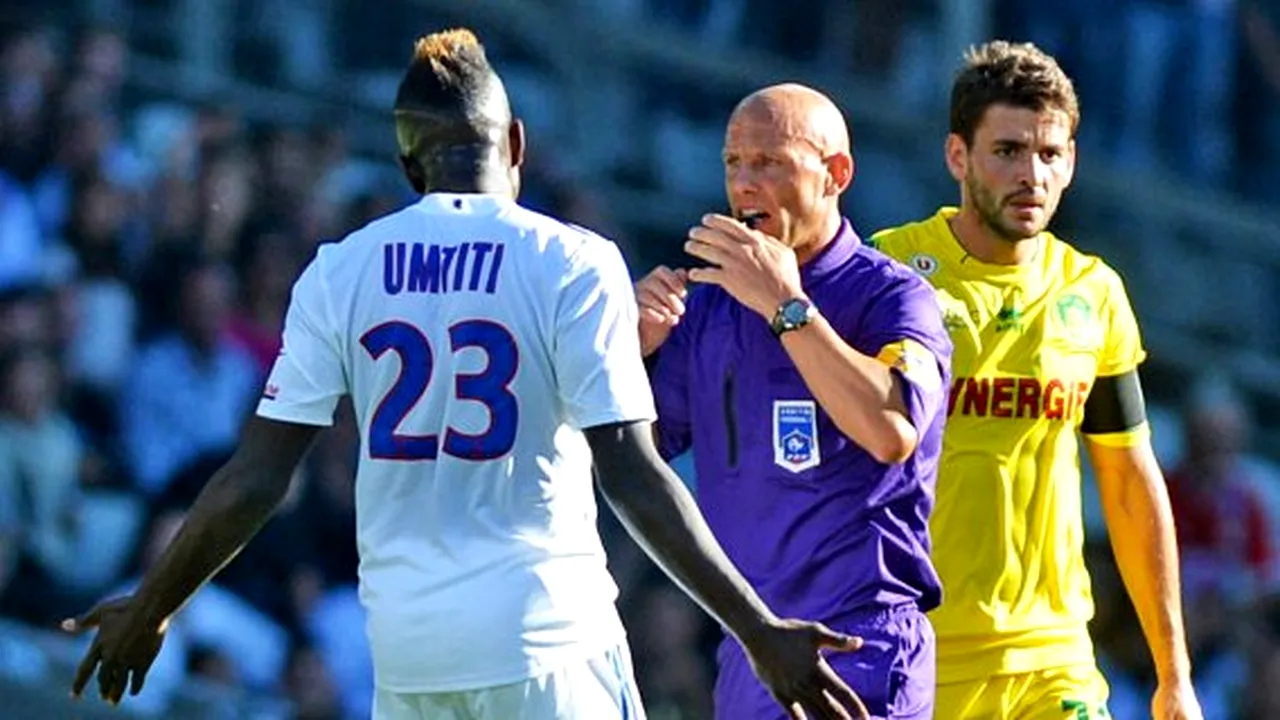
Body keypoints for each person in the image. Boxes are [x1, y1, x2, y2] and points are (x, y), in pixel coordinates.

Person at [60, 29, 868, 720]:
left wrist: (155, 602)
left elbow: (257, 477)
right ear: (515, 143)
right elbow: (632, 473)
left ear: (408, 166)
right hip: (550, 648)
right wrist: (757, 629)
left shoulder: (339, 271)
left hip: (414, 662)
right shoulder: (572, 261)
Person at [868, 40, 1204, 720]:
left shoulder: (1094, 292)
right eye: (1008, 151)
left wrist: (1175, 674)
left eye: (1050, 154)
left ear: (1072, 162)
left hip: (1054, 658)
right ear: (957, 156)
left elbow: (1130, 484)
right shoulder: (886, 271)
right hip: (916, 650)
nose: (1032, 174)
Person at [635, 83, 953, 719]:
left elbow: (891, 429)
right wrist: (631, 351)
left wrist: (786, 308)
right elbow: (635, 452)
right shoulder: (708, 308)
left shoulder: (891, 297)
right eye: (733, 164)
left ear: (837, 174)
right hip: (752, 649)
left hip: (859, 647)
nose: (745, 184)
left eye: (769, 163)